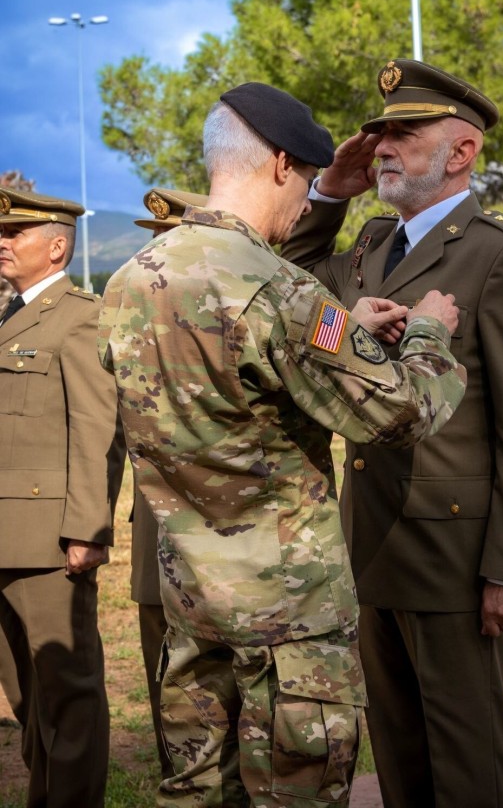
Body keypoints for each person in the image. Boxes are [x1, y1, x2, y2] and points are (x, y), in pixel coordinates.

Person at [98, 82, 467, 807]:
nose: (304, 201)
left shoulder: (129, 279)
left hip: (191, 609)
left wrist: (339, 327)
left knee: (196, 794)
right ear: (277, 166)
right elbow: (401, 414)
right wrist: (429, 331)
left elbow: (220, 392)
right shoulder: (279, 293)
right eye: (304, 179)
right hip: (287, 627)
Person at [282, 58, 503, 808]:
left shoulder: (499, 254)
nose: (380, 146)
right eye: (378, 132)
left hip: (454, 553)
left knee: (467, 759)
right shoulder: (373, 245)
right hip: (371, 539)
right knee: (401, 755)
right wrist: (327, 194)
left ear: (462, 152)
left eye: (403, 133)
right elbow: (293, 286)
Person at [0, 188, 125, 808]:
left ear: (55, 246)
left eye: (15, 232)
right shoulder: (9, 315)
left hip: (48, 541)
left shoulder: (80, 315)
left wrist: (87, 530)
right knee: (28, 698)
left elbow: (98, 429)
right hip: (5, 535)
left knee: (69, 696)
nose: (2, 240)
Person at [131, 186, 209, 779]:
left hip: (224, 544)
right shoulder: (134, 324)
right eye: (157, 244)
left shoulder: (239, 316)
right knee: (165, 674)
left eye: (174, 243)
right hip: (153, 536)